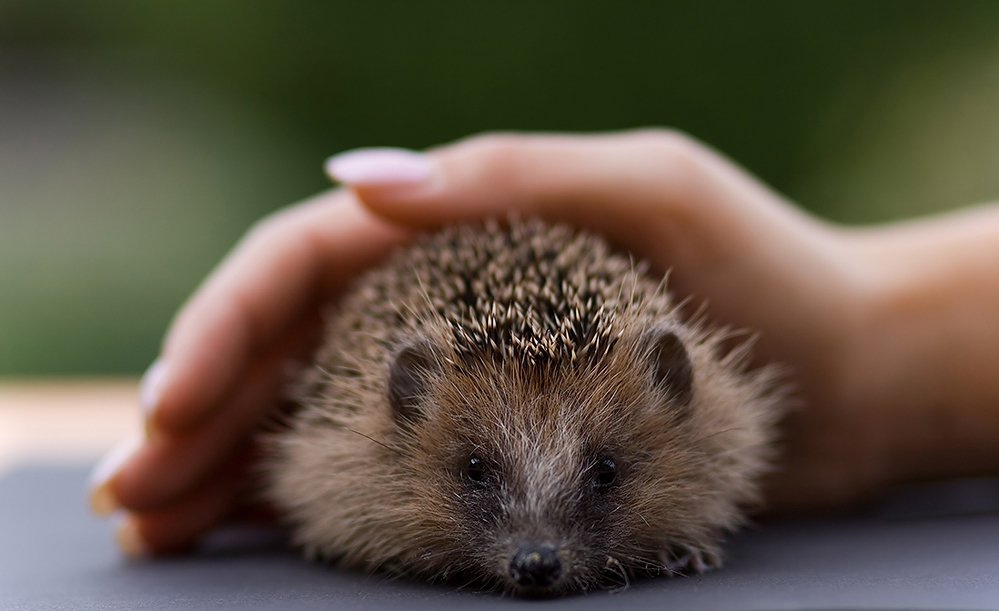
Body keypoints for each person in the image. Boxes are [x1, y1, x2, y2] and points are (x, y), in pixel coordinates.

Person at [86, 129, 999, 556]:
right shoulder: (362, 458)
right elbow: (314, 493)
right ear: (405, 404)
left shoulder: (706, 433)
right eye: (476, 474)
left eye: (602, 477)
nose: (536, 549)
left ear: (674, 391)